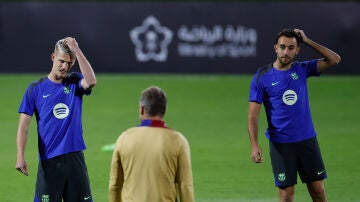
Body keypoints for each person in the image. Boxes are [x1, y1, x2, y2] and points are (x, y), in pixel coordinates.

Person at [248, 28, 341, 202]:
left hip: (307, 141)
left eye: (291, 48)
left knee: (318, 191)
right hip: (281, 145)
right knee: (286, 196)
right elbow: (253, 116)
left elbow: (334, 59)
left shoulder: (303, 69)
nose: (286, 52)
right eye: (282, 47)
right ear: (275, 47)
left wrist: (307, 40)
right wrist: (254, 145)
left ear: (297, 50)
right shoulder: (262, 77)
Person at [16, 37, 97, 202]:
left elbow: (91, 81)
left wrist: (78, 51)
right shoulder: (35, 89)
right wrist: (20, 156)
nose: (65, 66)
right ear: (53, 57)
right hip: (49, 163)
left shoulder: (74, 82)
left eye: (69, 62)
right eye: (61, 61)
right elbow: (23, 127)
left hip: (75, 160)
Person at [109, 86, 194, 202]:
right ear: (164, 110)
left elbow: (115, 185)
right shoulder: (178, 141)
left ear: (142, 109)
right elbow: (185, 186)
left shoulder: (124, 138)